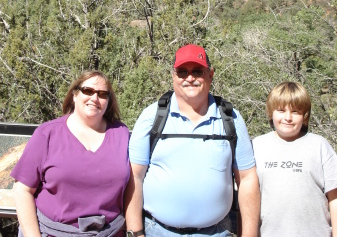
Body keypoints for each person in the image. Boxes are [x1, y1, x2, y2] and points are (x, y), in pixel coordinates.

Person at [125, 44, 260, 237]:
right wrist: (135, 232)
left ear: (210, 74)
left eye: (197, 71)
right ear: (173, 76)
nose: (189, 78)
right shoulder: (151, 117)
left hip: (216, 233)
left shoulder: (231, 119)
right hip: (157, 231)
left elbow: (247, 179)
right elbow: (135, 177)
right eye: (182, 72)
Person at [11, 70, 130, 237]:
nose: (95, 98)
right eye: (88, 91)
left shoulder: (122, 134)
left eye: (102, 94)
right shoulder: (47, 134)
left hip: (111, 232)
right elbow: (22, 190)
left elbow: (133, 186)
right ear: (74, 94)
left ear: (109, 101)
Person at [252, 81, 337, 237]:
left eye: (296, 111)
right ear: (271, 112)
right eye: (281, 110)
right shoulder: (256, 146)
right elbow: (247, 200)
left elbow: (334, 199)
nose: (288, 117)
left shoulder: (320, 146)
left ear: (304, 116)